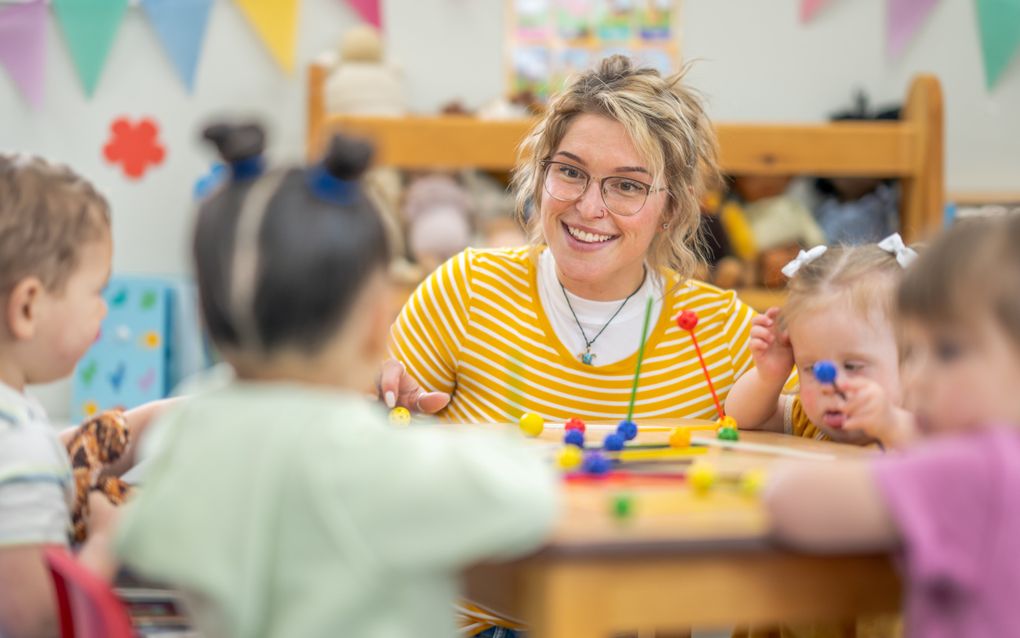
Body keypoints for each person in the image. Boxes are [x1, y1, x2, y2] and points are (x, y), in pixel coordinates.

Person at [115, 124, 559, 638]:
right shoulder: (378, 458)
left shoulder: (185, 433)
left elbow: (144, 538)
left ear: (204, 314)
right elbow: (531, 501)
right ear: (377, 320)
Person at [381, 55, 757, 428]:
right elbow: (370, 427)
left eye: (627, 185)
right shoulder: (467, 291)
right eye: (570, 171)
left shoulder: (721, 329)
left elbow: (813, 425)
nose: (589, 207)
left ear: (672, 207)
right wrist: (383, 407)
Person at [767, 215, 1020, 637]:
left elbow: (789, 505)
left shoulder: (977, 468)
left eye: (948, 351)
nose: (917, 375)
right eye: (914, 352)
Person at [0, 154, 164, 638]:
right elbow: (39, 625)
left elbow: (63, 456)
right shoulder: (19, 451)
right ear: (28, 306)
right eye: (97, 291)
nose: (103, 308)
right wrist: (105, 548)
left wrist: (154, 418)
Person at [725, 234, 918, 450]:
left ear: (913, 361)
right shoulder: (811, 423)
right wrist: (769, 376)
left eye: (852, 366)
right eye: (812, 368)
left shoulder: (929, 431)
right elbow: (740, 416)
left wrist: (890, 423)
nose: (829, 384)